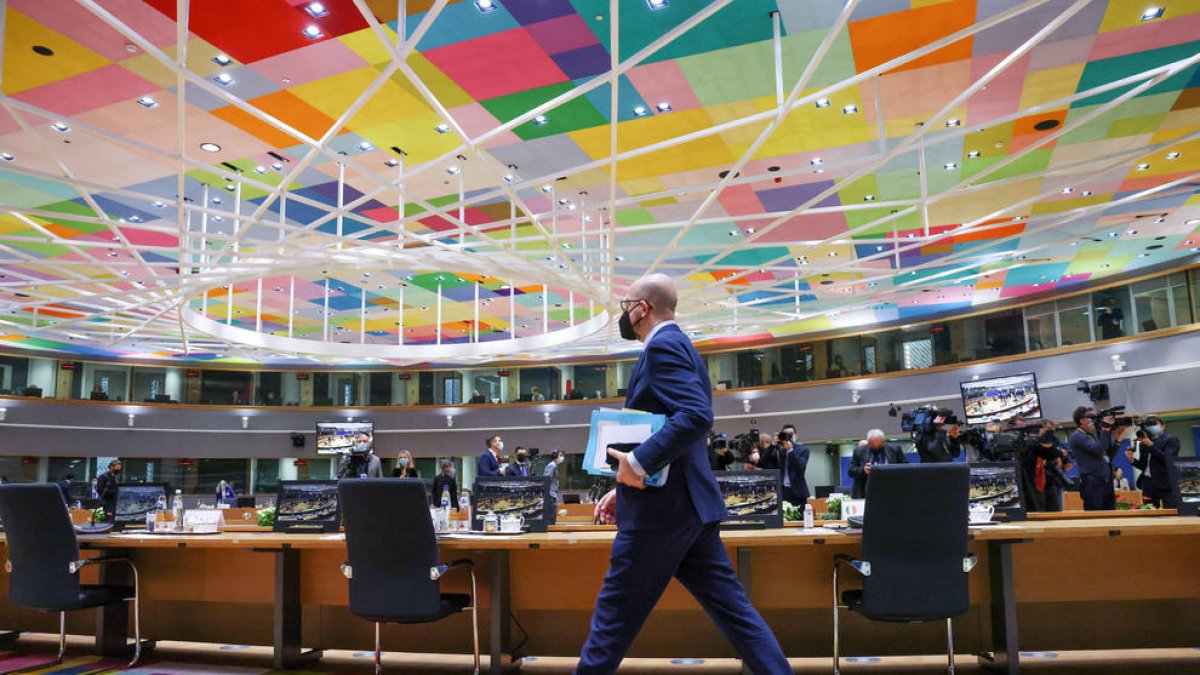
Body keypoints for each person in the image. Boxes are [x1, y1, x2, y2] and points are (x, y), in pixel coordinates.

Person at [581, 273, 789, 674]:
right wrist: (623, 482)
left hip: (659, 517)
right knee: (738, 618)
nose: (624, 314)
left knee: (611, 624)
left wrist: (637, 465)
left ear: (642, 308)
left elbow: (695, 417)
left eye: (627, 306)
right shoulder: (683, 347)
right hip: (690, 511)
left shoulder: (663, 347)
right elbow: (665, 426)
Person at [1069, 406, 1127, 511]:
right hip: (1092, 482)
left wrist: (1118, 440)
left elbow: (1107, 457)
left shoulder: (1091, 435)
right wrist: (1105, 430)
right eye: (1090, 417)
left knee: (1110, 514)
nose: (1093, 420)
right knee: (1096, 516)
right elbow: (1098, 450)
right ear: (1082, 420)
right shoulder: (1077, 436)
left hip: (1105, 481)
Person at [1126, 415, 1181, 509]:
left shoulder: (1171, 439)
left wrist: (1150, 445)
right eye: (1149, 424)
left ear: (1163, 426)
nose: (1151, 426)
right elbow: (1144, 465)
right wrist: (1132, 460)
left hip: (1166, 483)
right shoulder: (1143, 443)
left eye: (1154, 423)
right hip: (1148, 484)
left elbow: (1168, 460)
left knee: (1172, 512)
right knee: (1149, 513)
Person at [848, 430, 908, 499]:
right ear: (868, 442)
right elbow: (851, 471)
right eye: (873, 445)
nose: (876, 447)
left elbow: (905, 468)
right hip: (866, 492)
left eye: (879, 445)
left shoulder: (895, 449)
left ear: (883, 441)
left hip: (892, 490)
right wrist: (863, 470)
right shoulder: (859, 451)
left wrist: (893, 471)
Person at [761, 431, 809, 505]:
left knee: (800, 516)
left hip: (798, 491)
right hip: (782, 491)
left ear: (795, 435)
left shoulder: (803, 450)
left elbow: (800, 467)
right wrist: (773, 444)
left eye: (790, 433)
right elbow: (763, 460)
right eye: (785, 434)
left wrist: (790, 450)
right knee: (783, 516)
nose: (788, 436)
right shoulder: (780, 451)